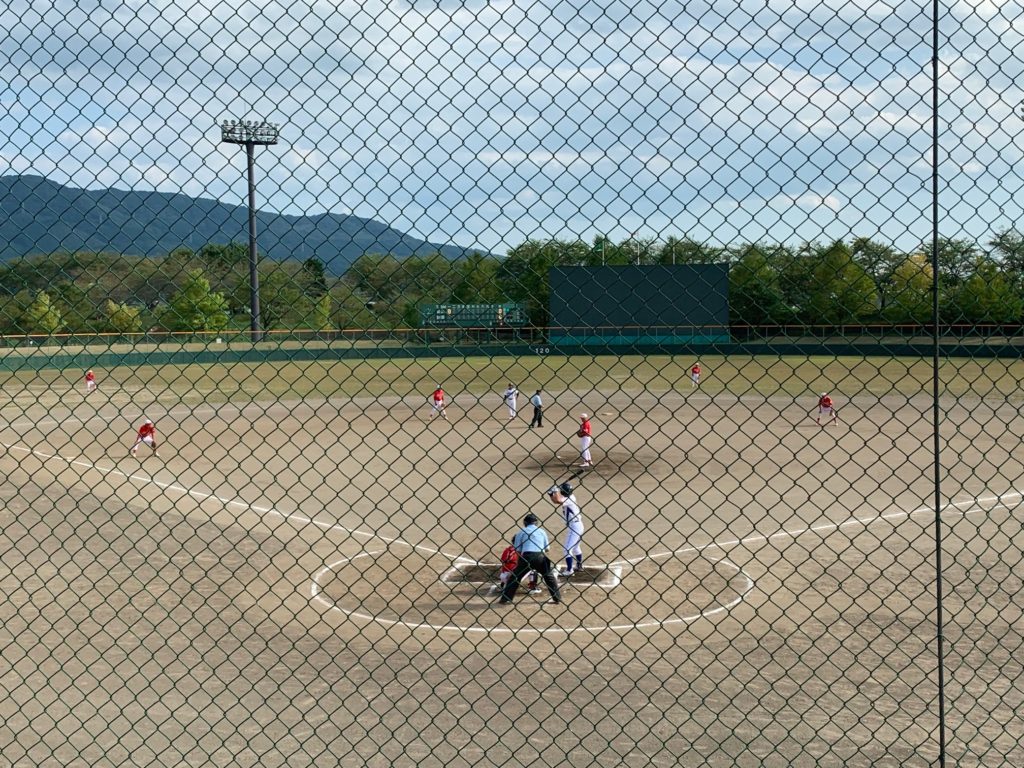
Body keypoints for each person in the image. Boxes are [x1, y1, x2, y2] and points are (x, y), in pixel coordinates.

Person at [499, 514, 562, 605]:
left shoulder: (521, 532)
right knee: (549, 576)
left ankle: (506, 598)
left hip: (526, 557)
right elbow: (547, 548)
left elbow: (518, 549)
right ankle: (557, 598)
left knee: (515, 577)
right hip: (540, 556)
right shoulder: (541, 531)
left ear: (525, 523)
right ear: (536, 523)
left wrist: (521, 562)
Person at [549, 482, 584, 576]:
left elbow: (558, 500)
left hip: (575, 527)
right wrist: (551, 493)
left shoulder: (570, 499)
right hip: (578, 525)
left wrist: (555, 490)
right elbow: (556, 500)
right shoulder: (569, 497)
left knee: (567, 549)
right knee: (576, 547)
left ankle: (569, 570)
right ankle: (579, 566)